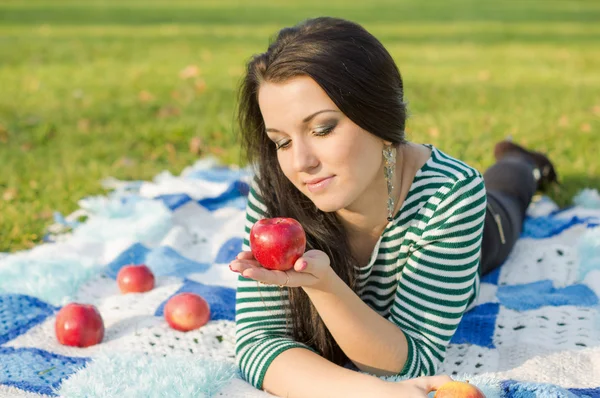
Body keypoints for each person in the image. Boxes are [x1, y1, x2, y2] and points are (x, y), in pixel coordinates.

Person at [228, 16, 558, 398]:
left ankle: (524, 163)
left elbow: (415, 360)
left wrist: (322, 285)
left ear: (378, 116)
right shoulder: (276, 187)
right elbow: (257, 344)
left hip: (476, 233)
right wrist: (372, 393)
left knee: (507, 201)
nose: (300, 162)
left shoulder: (450, 195)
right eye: (281, 141)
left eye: (322, 129)